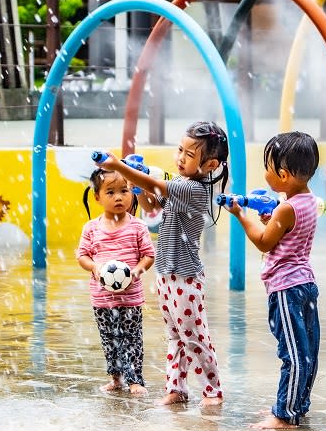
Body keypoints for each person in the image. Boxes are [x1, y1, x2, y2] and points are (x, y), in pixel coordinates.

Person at [97, 121, 230, 407]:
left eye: (189, 154)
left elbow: (156, 185)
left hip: (185, 276)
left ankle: (212, 391)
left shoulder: (195, 190)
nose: (180, 157)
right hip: (167, 273)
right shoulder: (182, 183)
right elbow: (151, 207)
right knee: (175, 336)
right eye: (179, 150)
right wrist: (137, 187)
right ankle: (176, 388)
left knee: (195, 337)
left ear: (209, 165)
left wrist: (118, 166)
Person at [223, 131, 321, 430]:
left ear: (283, 174)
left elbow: (265, 243)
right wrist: (271, 218)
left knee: (292, 353)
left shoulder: (286, 208)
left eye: (268, 167)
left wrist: (240, 215)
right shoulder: (309, 201)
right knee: (306, 352)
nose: (265, 174)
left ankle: (283, 414)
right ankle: (297, 405)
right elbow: (289, 234)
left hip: (285, 288)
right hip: (305, 283)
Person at [76, 168, 155, 395]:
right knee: (109, 339)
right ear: (97, 197)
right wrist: (95, 267)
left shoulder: (138, 226)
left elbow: (148, 255)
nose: (119, 197)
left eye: (124, 190)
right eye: (110, 192)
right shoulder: (91, 228)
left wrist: (136, 272)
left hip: (130, 298)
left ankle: (135, 380)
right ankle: (116, 377)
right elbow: (82, 256)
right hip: (101, 298)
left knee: (132, 338)